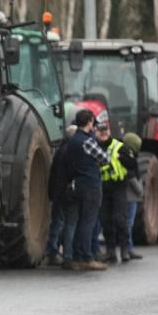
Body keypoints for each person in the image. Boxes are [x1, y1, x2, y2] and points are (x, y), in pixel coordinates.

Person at [65, 109, 110, 271]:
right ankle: (87, 257)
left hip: (76, 184)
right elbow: (105, 159)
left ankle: (76, 256)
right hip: (90, 185)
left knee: (78, 222)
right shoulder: (87, 141)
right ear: (90, 121)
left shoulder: (73, 140)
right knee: (88, 222)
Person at [96, 123, 138, 263]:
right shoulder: (94, 147)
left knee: (119, 219)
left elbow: (133, 165)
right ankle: (110, 251)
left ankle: (125, 250)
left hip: (118, 187)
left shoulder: (119, 147)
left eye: (105, 130)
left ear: (109, 131)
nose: (103, 133)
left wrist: (122, 158)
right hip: (103, 188)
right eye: (100, 131)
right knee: (105, 220)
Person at [45, 125, 78, 265]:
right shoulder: (70, 152)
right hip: (65, 192)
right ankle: (58, 253)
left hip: (58, 191)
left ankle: (53, 251)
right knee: (64, 223)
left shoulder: (60, 151)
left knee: (58, 222)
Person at [122, 132, 144, 260]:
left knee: (127, 223)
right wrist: (140, 190)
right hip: (130, 197)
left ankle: (127, 248)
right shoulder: (129, 158)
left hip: (128, 196)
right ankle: (128, 248)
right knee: (128, 224)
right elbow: (131, 176)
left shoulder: (124, 155)